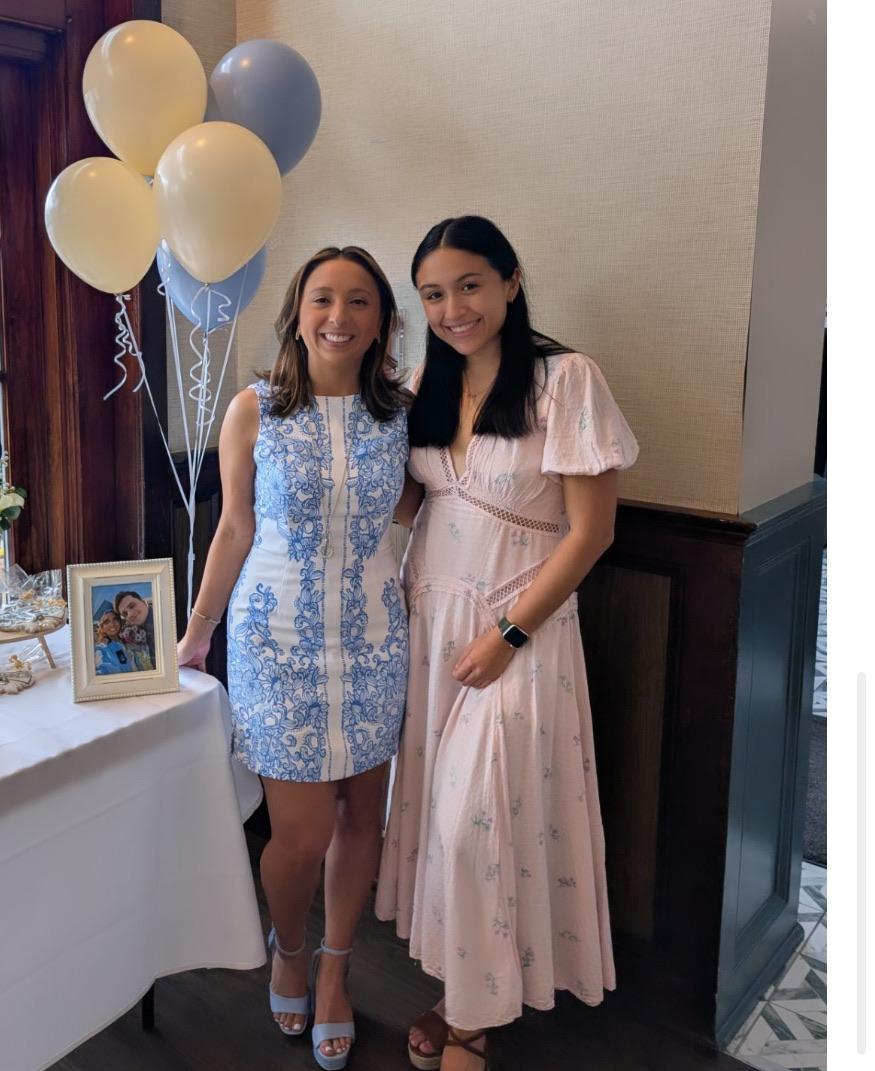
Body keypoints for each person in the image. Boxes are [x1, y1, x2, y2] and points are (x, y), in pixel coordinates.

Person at [375, 216, 639, 1071]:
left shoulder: (566, 381)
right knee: (444, 818)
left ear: (511, 281)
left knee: (474, 823)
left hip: (516, 630)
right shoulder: (428, 384)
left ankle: (470, 1019)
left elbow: (591, 532)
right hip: (429, 624)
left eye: (469, 285)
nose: (453, 308)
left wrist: (508, 634)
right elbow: (413, 504)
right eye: (433, 294)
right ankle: (467, 991)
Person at [177, 246, 410, 1070]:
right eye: (322, 298)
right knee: (300, 833)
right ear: (297, 313)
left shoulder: (401, 413)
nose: (338, 316)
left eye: (358, 300)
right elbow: (233, 526)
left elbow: (425, 505)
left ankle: (336, 966)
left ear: (381, 321)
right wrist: (197, 630)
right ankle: (289, 947)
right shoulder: (255, 408)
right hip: (275, 639)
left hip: (375, 637)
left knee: (360, 817)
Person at [115, 590, 155, 671]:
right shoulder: (136, 633)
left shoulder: (164, 620)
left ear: (144, 602)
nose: (130, 614)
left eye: (132, 606)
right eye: (125, 614)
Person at [93, 609, 131, 675]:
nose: (112, 624)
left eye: (115, 619)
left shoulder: (129, 641)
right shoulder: (101, 650)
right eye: (107, 622)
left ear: (120, 622)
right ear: (102, 628)